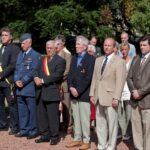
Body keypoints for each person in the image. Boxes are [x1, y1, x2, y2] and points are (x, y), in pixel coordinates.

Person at [90, 37, 126, 150]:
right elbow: (95, 79)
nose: (106, 47)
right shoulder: (98, 60)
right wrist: (92, 94)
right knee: (100, 124)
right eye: (105, 45)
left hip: (111, 98)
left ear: (114, 48)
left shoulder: (119, 61)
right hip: (98, 97)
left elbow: (120, 81)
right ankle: (102, 145)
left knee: (112, 125)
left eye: (109, 45)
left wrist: (116, 97)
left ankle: (111, 146)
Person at [66, 35, 95, 150]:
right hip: (74, 93)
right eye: (76, 44)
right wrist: (71, 87)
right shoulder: (74, 57)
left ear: (84, 46)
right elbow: (70, 74)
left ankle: (86, 140)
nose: (76, 46)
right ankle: (77, 138)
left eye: (78, 44)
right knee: (76, 118)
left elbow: (88, 78)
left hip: (83, 94)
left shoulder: (90, 59)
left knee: (84, 118)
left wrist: (78, 90)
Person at [34, 40, 66, 145]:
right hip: (40, 91)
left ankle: (54, 137)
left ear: (56, 48)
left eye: (51, 48)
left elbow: (57, 75)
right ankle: (44, 135)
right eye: (47, 48)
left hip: (52, 92)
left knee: (53, 117)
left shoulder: (60, 60)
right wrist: (36, 78)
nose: (49, 50)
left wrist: (42, 80)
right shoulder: (42, 59)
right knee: (42, 116)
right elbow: (36, 70)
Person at [14, 33, 40, 139]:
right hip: (19, 88)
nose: (22, 45)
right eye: (21, 43)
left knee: (32, 110)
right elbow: (16, 69)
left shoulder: (35, 55)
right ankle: (24, 129)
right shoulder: (20, 55)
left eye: (24, 43)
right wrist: (16, 80)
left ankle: (33, 131)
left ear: (30, 42)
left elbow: (34, 70)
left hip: (29, 87)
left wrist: (23, 81)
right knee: (22, 110)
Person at [127, 35, 150, 150]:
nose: (142, 47)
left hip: (147, 101)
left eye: (144, 45)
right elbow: (129, 77)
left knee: (148, 130)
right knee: (136, 128)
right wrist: (133, 91)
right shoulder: (135, 58)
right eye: (140, 45)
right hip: (134, 100)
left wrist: (140, 92)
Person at [0, 27, 20, 135]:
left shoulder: (15, 48)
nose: (3, 37)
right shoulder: (0, 47)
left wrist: (1, 75)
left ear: (11, 37)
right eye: (2, 35)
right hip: (0, 82)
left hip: (9, 81)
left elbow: (13, 65)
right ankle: (2, 124)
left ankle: (14, 127)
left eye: (5, 35)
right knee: (0, 105)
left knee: (12, 105)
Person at [54, 35, 72, 133]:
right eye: (55, 43)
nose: (56, 46)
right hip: (54, 83)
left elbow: (67, 70)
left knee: (66, 106)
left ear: (63, 43)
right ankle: (59, 124)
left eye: (58, 44)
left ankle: (68, 124)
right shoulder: (54, 53)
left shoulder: (67, 54)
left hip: (64, 84)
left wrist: (56, 78)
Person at [118, 42, 132, 141]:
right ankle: (122, 131)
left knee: (129, 112)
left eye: (125, 49)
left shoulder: (133, 61)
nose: (123, 51)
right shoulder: (119, 61)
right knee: (120, 113)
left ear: (128, 50)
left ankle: (128, 132)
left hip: (129, 89)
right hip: (119, 89)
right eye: (122, 50)